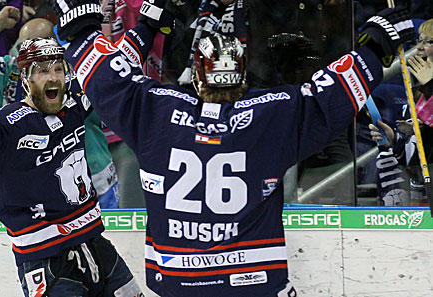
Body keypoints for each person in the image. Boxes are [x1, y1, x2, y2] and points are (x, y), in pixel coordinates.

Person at [42, 0, 414, 295]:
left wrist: (83, 28)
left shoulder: (156, 111)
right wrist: (374, 47)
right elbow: (327, 95)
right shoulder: (271, 117)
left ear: (198, 78)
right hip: (254, 281)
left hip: (175, 281)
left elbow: (105, 74)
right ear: (241, 75)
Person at [0, 38, 142, 296]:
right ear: (25, 79)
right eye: (42, 70)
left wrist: (148, 25)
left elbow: (113, 70)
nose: (53, 78)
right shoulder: (9, 123)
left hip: (96, 245)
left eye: (58, 69)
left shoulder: (72, 103)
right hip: (46, 260)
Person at [0, 11, 121, 209]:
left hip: (92, 176)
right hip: (33, 187)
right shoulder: (8, 73)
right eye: (24, 47)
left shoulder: (79, 71)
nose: (33, 54)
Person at [369, 18, 433, 206]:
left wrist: (430, 86)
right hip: (421, 194)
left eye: (428, 41)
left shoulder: (427, 88)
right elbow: (418, 155)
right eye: (419, 40)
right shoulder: (416, 92)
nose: (419, 48)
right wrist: (395, 141)